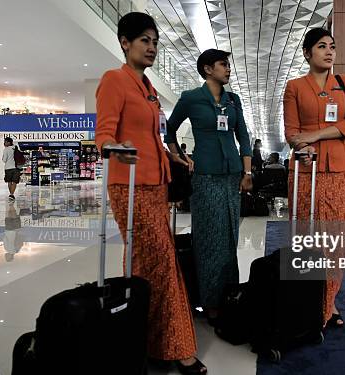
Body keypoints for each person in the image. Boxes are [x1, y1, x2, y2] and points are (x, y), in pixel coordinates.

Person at [95, 12, 206, 374]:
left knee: (148, 262)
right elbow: (104, 133)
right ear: (124, 42)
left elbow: (154, 136)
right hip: (129, 184)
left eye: (155, 42)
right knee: (161, 260)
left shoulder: (149, 89)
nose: (152, 47)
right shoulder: (114, 80)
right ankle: (176, 345)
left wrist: (172, 156)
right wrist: (115, 145)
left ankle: (146, 341)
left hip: (155, 184)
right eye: (144, 40)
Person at [165, 48, 253, 326]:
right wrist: (178, 155)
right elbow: (170, 129)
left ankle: (228, 293)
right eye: (223, 65)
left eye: (228, 64)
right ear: (207, 69)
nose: (228, 69)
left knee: (230, 237)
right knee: (209, 238)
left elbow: (244, 137)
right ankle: (210, 300)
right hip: (205, 176)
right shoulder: (191, 98)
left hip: (232, 177)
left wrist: (248, 170)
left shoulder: (233, 100)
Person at [283, 27, 345, 329]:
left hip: (341, 171)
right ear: (307, 53)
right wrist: (301, 144)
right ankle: (307, 298)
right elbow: (291, 132)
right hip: (306, 171)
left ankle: (328, 303)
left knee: (336, 240)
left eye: (332, 46)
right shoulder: (294, 87)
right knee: (306, 236)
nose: (329, 51)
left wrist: (314, 134)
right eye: (321, 46)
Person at [2, 137, 21, 201]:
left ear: (8, 142)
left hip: (8, 168)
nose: (4, 143)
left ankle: (11, 194)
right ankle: (12, 194)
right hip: (16, 167)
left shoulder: (6, 149)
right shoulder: (15, 148)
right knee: (15, 182)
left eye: (5, 141)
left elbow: (4, 160)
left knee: (9, 182)